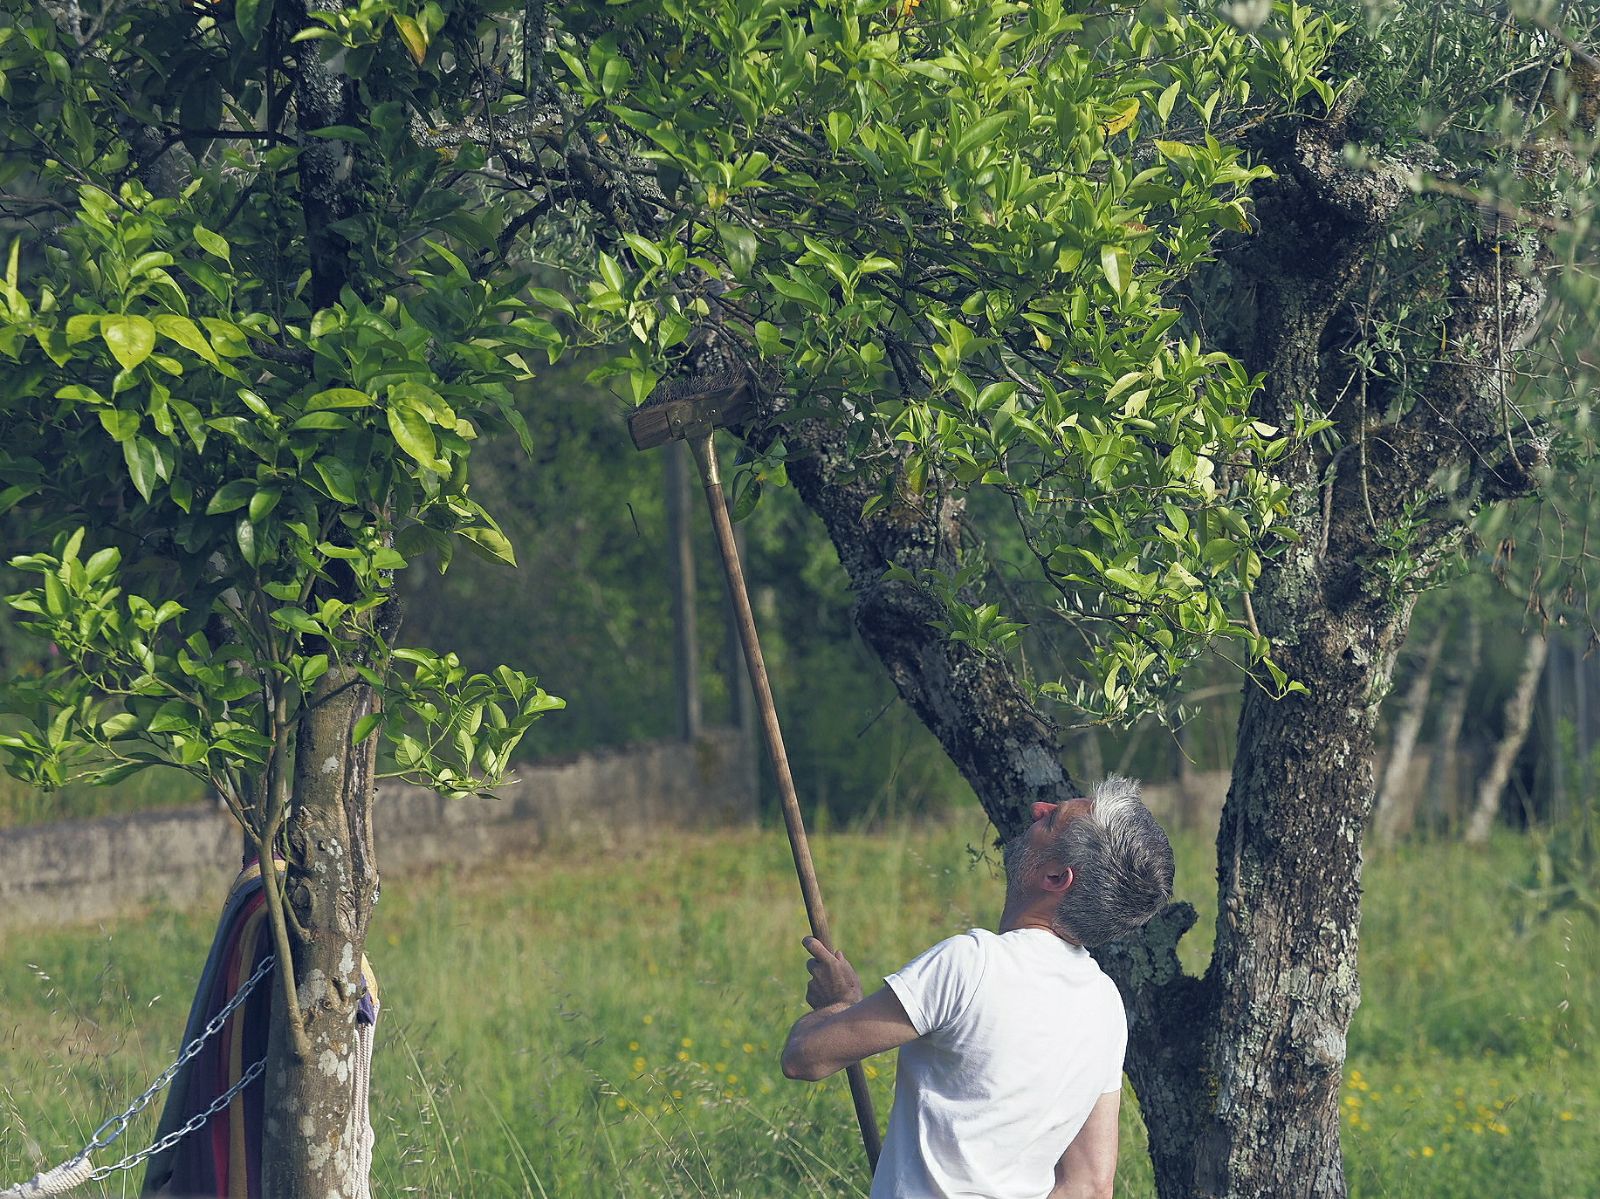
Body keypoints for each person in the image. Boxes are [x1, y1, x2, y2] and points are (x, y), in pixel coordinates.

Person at [780, 777, 1174, 1199]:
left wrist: (839, 1005)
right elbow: (1091, 1186)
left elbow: (805, 1058)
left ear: (1057, 876)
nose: (1039, 808)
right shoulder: (1104, 1005)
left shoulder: (972, 964)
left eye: (1053, 819)